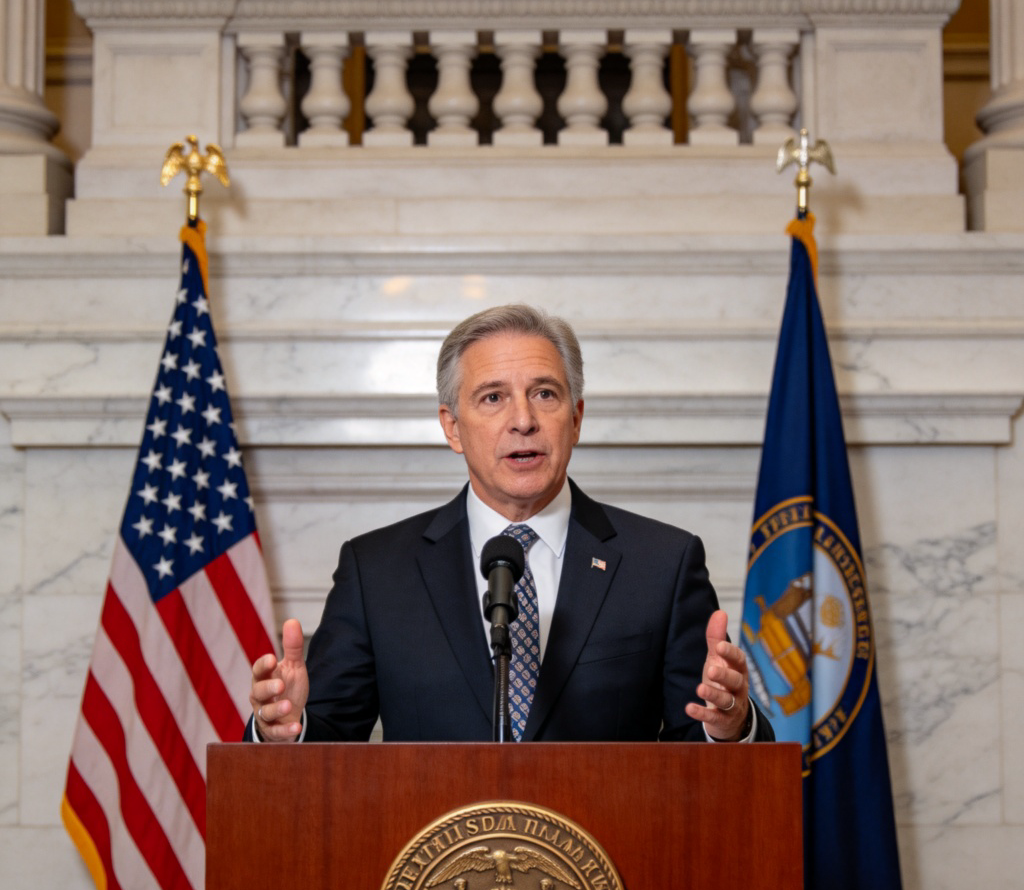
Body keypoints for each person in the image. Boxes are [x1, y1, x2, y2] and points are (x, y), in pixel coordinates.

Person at [247, 304, 772, 744]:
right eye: (493, 397)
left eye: (545, 393)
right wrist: (286, 729)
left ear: (577, 417)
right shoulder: (377, 571)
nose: (523, 420)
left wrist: (728, 727)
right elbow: (328, 748)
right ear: (452, 427)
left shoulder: (663, 564)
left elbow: (701, 751)